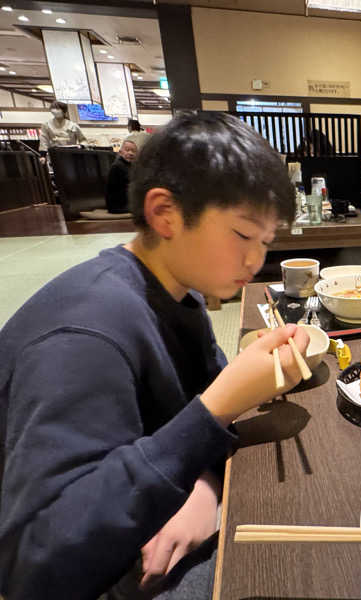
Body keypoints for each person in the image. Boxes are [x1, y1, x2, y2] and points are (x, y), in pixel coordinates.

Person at [0, 112, 309, 599]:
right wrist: (220, 405)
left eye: (267, 243)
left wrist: (204, 485)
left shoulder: (178, 291)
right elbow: (34, 570)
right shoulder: (84, 335)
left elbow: (191, 423)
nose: (256, 260)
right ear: (165, 213)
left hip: (148, 512)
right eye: (244, 235)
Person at [105, 136, 139, 214]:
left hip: (124, 203)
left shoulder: (128, 165)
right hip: (118, 206)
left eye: (133, 151)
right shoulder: (118, 166)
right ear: (120, 152)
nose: (130, 153)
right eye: (127, 150)